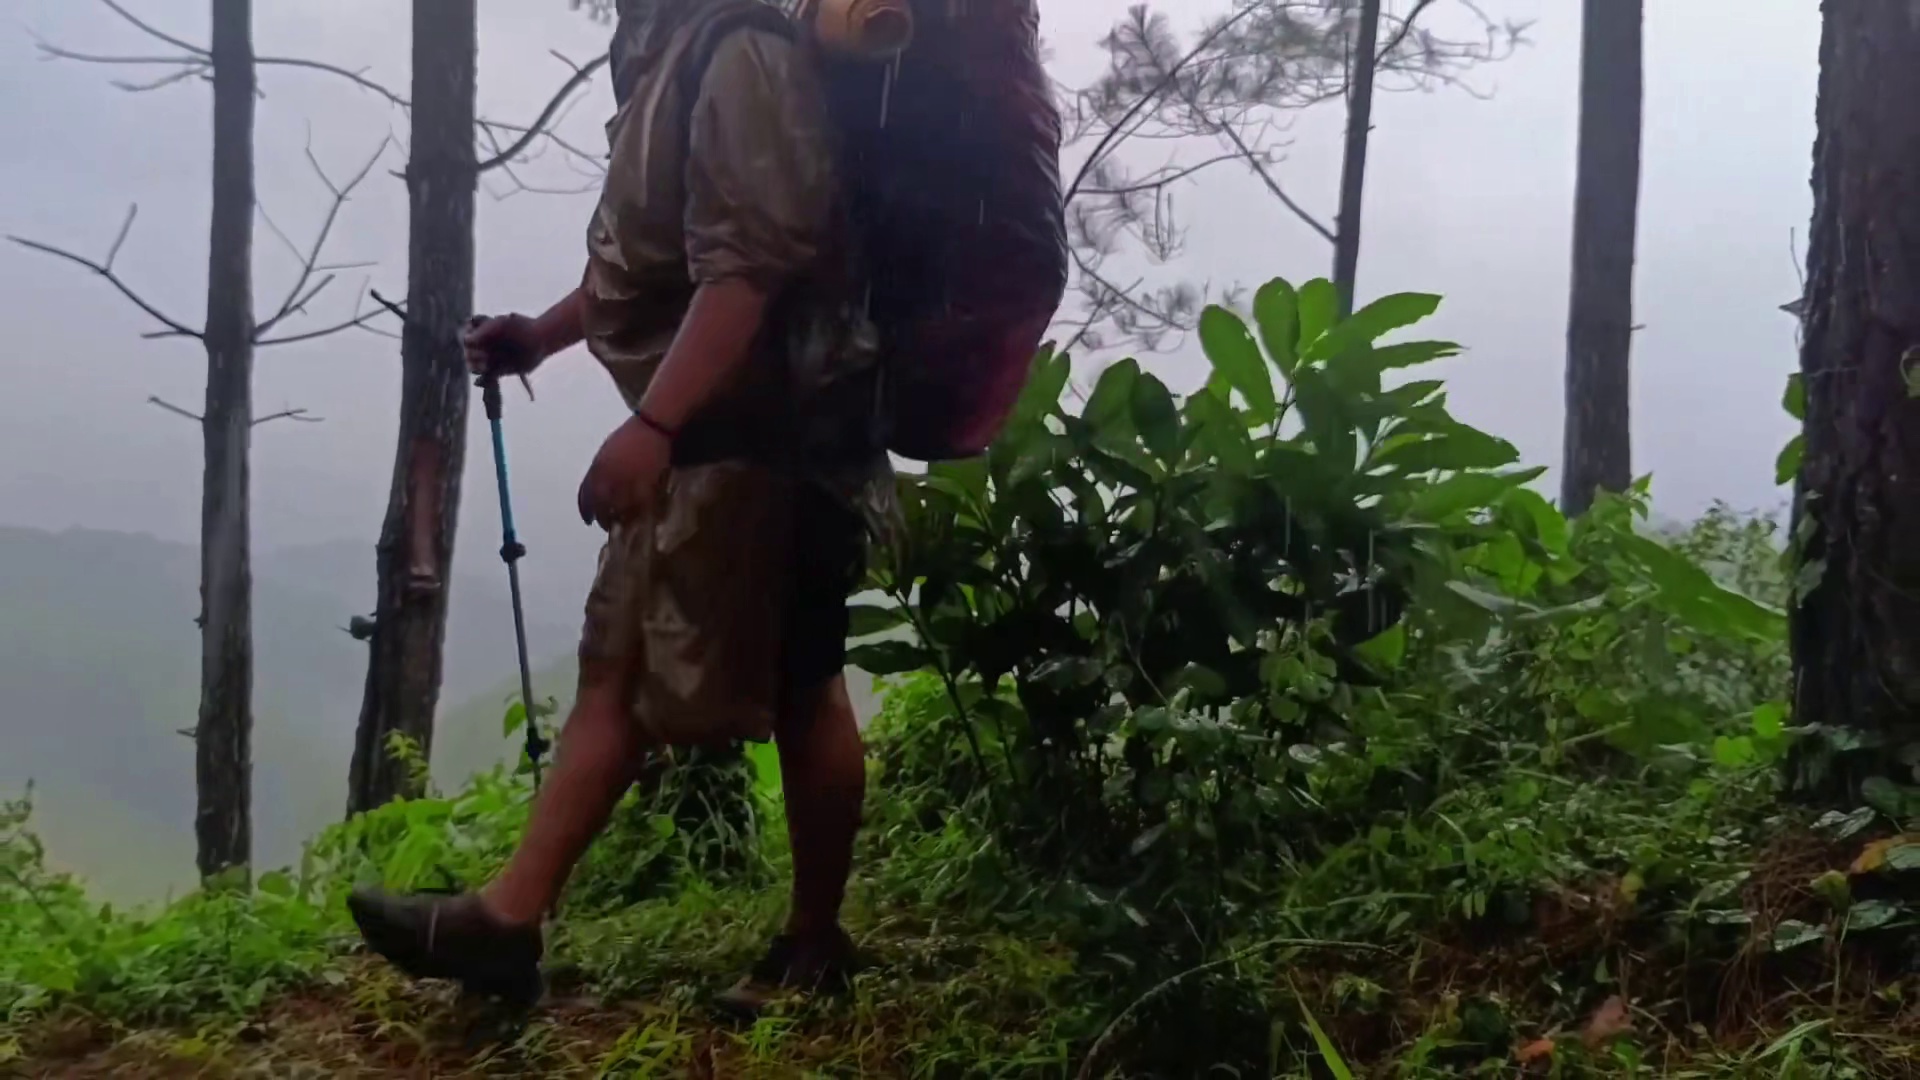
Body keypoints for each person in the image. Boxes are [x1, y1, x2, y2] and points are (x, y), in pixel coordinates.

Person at [346, 0, 894, 1017]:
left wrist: (653, 423)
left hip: (778, 443)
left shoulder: (745, 52)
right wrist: (542, 337)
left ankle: (813, 947)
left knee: (802, 685)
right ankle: (509, 921)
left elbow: (747, 271)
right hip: (711, 440)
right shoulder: (675, 53)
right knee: (620, 667)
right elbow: (649, 264)